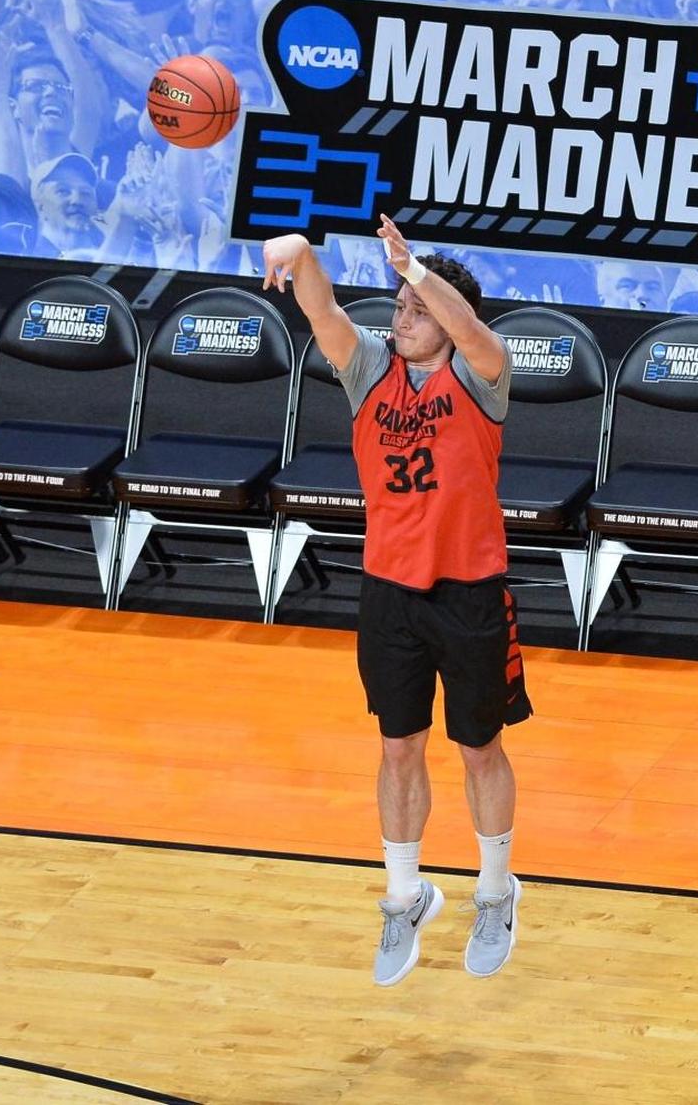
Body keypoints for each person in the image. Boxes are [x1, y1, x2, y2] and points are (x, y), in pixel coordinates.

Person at [262, 215, 532, 987]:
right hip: (389, 593)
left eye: (414, 310)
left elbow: (468, 326)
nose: (399, 317)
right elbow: (322, 311)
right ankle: (406, 897)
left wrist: (416, 273)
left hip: (471, 592)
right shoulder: (369, 374)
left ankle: (494, 890)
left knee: (480, 748)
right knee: (396, 747)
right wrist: (300, 254)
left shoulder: (481, 375)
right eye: (399, 305)